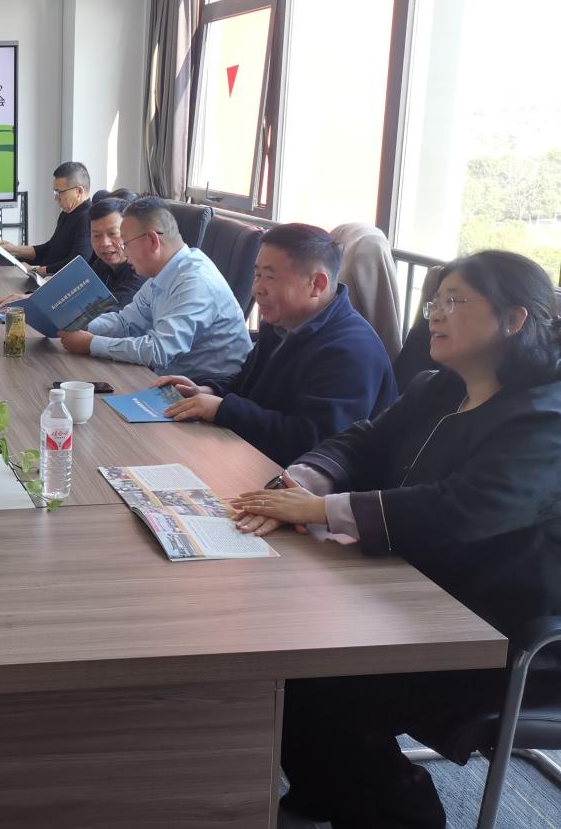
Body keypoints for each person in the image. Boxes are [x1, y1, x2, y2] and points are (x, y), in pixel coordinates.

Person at [232, 250, 561, 828]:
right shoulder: (439, 387)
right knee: (284, 649)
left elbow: (460, 509)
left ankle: (402, 810)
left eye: (455, 301)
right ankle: (326, 792)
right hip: (410, 591)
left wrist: (319, 510)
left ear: (514, 319)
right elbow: (364, 440)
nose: (435, 314)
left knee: (322, 684)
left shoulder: (545, 419)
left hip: (500, 629)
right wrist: (300, 481)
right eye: (434, 301)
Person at [152, 223, 396, 466]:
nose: (257, 289)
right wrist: (206, 391)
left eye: (270, 277)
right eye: (257, 275)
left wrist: (223, 409)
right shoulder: (281, 323)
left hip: (305, 482)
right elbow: (246, 384)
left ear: (317, 285)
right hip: (255, 458)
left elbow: (315, 443)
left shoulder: (351, 351)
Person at [57, 196, 251, 381]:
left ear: (152, 241)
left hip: (205, 390)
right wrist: (85, 325)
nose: (123, 251)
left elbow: (159, 351)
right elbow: (126, 323)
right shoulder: (163, 273)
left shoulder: (194, 281)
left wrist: (91, 344)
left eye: (126, 243)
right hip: (166, 379)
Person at [0, 192, 144, 310]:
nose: (105, 243)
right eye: (96, 235)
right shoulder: (101, 264)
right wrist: (29, 299)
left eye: (113, 234)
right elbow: (74, 291)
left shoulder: (140, 273)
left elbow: (106, 314)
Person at [0, 161, 93, 275]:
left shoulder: (87, 219)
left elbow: (77, 264)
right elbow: (50, 249)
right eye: (55, 192)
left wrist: (34, 270)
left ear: (79, 191)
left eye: (59, 192)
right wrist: (14, 249)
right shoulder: (67, 213)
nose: (56, 198)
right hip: (46, 276)